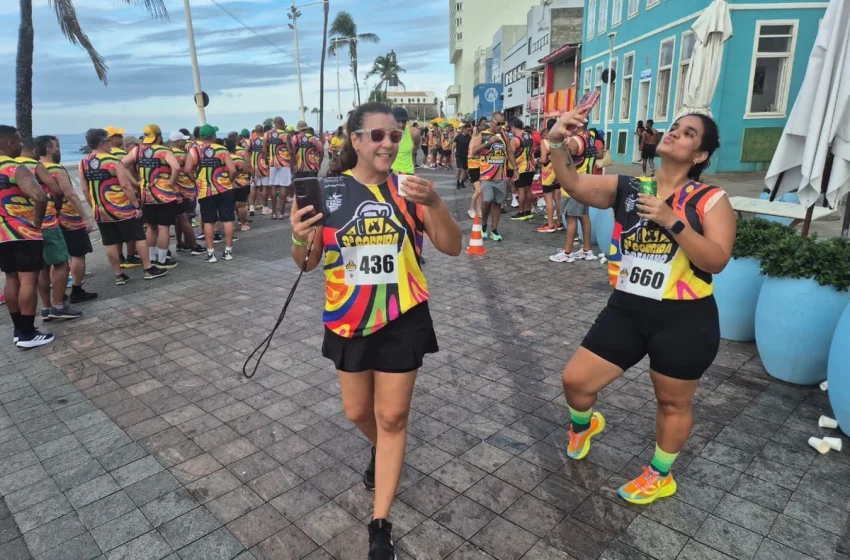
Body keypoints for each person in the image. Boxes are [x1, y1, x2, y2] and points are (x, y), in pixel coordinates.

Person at [290, 102, 461, 560]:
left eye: (396, 135)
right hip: (347, 318)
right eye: (379, 135)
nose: (389, 143)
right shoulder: (327, 192)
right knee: (356, 412)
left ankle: (380, 522)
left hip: (403, 315)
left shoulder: (410, 191)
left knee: (392, 419)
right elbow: (307, 265)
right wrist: (297, 236)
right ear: (356, 139)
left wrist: (436, 203)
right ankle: (384, 451)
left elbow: (452, 247)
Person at [549, 109, 734, 505]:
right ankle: (584, 424)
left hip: (684, 318)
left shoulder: (710, 199)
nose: (674, 134)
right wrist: (555, 143)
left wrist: (673, 221)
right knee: (575, 382)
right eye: (674, 128)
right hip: (628, 309)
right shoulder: (630, 187)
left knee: (672, 402)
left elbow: (716, 260)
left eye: (688, 134)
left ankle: (660, 473)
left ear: (699, 156)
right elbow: (575, 184)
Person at [79, 129, 167, 284]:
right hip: (121, 208)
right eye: (107, 141)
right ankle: (148, 268)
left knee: (110, 242)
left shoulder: (83, 163)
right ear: (101, 143)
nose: (109, 144)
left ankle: (119, 274)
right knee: (138, 236)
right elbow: (125, 185)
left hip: (101, 210)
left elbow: (85, 189)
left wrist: (94, 205)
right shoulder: (113, 162)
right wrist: (136, 205)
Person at [16, 139, 83, 321]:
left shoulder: (10, 167)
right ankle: (59, 305)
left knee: (42, 269)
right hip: (46, 223)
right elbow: (57, 191)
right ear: (35, 151)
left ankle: (46, 307)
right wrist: (57, 209)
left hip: (22, 227)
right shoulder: (34, 165)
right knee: (61, 263)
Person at [0, 126, 52, 348]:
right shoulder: (14, 168)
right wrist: (37, 223)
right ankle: (28, 334)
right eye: (19, 142)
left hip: (1, 236)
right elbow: (40, 197)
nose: (22, 146)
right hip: (23, 232)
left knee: (11, 278)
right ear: (10, 143)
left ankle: (18, 329)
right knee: (28, 280)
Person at [35, 135, 98, 304]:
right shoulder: (56, 170)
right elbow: (70, 194)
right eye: (56, 146)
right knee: (78, 254)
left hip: (46, 220)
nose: (59, 149)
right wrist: (85, 218)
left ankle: (56, 296)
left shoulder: (32, 168)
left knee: (50, 261)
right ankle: (77, 290)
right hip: (69, 218)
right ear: (48, 149)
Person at [122, 125, 181, 270]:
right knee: (163, 228)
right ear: (159, 136)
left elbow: (120, 165)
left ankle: (152, 258)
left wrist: (136, 182)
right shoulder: (163, 151)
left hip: (146, 194)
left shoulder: (137, 150)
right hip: (163, 195)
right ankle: (162, 260)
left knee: (150, 227)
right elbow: (177, 167)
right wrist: (171, 183)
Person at [184, 124, 238, 262]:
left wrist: (196, 181)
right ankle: (228, 251)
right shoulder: (222, 149)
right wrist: (228, 182)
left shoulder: (194, 150)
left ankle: (211, 253)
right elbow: (233, 170)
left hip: (205, 191)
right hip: (224, 189)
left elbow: (187, 169)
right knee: (227, 219)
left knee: (208, 221)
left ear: (201, 137)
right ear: (213, 136)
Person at [549, 124, 598, 263]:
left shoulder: (575, 141)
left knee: (571, 219)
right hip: (587, 181)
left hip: (574, 185)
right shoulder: (591, 137)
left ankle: (567, 252)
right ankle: (586, 250)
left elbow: (565, 162)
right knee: (584, 216)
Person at [468, 111, 515, 241]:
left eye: (503, 123)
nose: (501, 126)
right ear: (492, 122)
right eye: (499, 123)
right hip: (486, 176)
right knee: (487, 200)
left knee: (498, 204)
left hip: (501, 177)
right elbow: (474, 152)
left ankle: (494, 230)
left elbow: (510, 152)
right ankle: (484, 226)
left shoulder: (505, 135)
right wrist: (488, 142)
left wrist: (515, 168)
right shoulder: (483, 135)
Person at [169, 131, 205, 255]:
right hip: (187, 190)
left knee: (178, 219)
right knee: (187, 219)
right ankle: (192, 244)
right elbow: (189, 170)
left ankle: (180, 243)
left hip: (173, 191)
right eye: (183, 140)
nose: (185, 142)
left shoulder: (167, 154)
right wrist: (195, 181)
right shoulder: (184, 155)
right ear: (177, 141)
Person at [263, 117, 294, 219]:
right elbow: (290, 150)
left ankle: (273, 213)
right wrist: (293, 161)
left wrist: (269, 159)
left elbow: (264, 150)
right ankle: (281, 213)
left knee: (273, 186)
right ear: (282, 123)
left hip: (273, 163)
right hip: (284, 163)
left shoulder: (267, 134)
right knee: (283, 186)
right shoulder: (286, 135)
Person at [536, 127, 563, 233]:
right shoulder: (560, 142)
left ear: (545, 136)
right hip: (559, 173)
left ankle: (550, 224)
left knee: (548, 199)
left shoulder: (544, 142)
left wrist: (538, 161)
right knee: (557, 199)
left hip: (548, 174)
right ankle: (559, 222)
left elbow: (543, 159)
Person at [509, 118, 536, 220]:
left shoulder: (515, 140)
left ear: (513, 127)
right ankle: (528, 211)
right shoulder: (529, 136)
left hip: (520, 168)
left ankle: (521, 212)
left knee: (521, 191)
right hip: (530, 166)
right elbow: (531, 152)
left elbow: (511, 155)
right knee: (528, 189)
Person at [226, 137, 253, 232]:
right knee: (241, 205)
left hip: (228, 184)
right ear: (234, 147)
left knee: (229, 205)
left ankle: (230, 225)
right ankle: (243, 224)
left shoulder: (224, 159)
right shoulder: (239, 158)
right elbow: (246, 170)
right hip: (242, 184)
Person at [390, 107, 420, 176]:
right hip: (391, 172)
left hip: (407, 171)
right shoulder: (387, 133)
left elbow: (416, 145)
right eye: (398, 121)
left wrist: (411, 154)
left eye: (404, 121)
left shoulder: (413, 132)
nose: (401, 125)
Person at [248, 124, 268, 216]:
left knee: (253, 187)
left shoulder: (251, 140)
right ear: (263, 131)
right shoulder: (265, 140)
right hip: (264, 167)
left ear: (255, 132)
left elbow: (246, 151)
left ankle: (251, 207)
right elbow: (266, 152)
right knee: (264, 187)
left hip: (254, 167)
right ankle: (264, 208)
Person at [453, 124, 471, 189]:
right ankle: (457, 182)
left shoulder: (469, 137)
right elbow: (453, 146)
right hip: (458, 155)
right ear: (463, 129)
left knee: (466, 170)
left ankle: (462, 181)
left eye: (468, 130)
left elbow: (471, 147)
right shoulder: (458, 137)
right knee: (459, 169)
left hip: (465, 155)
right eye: (466, 129)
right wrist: (452, 155)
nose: (467, 131)